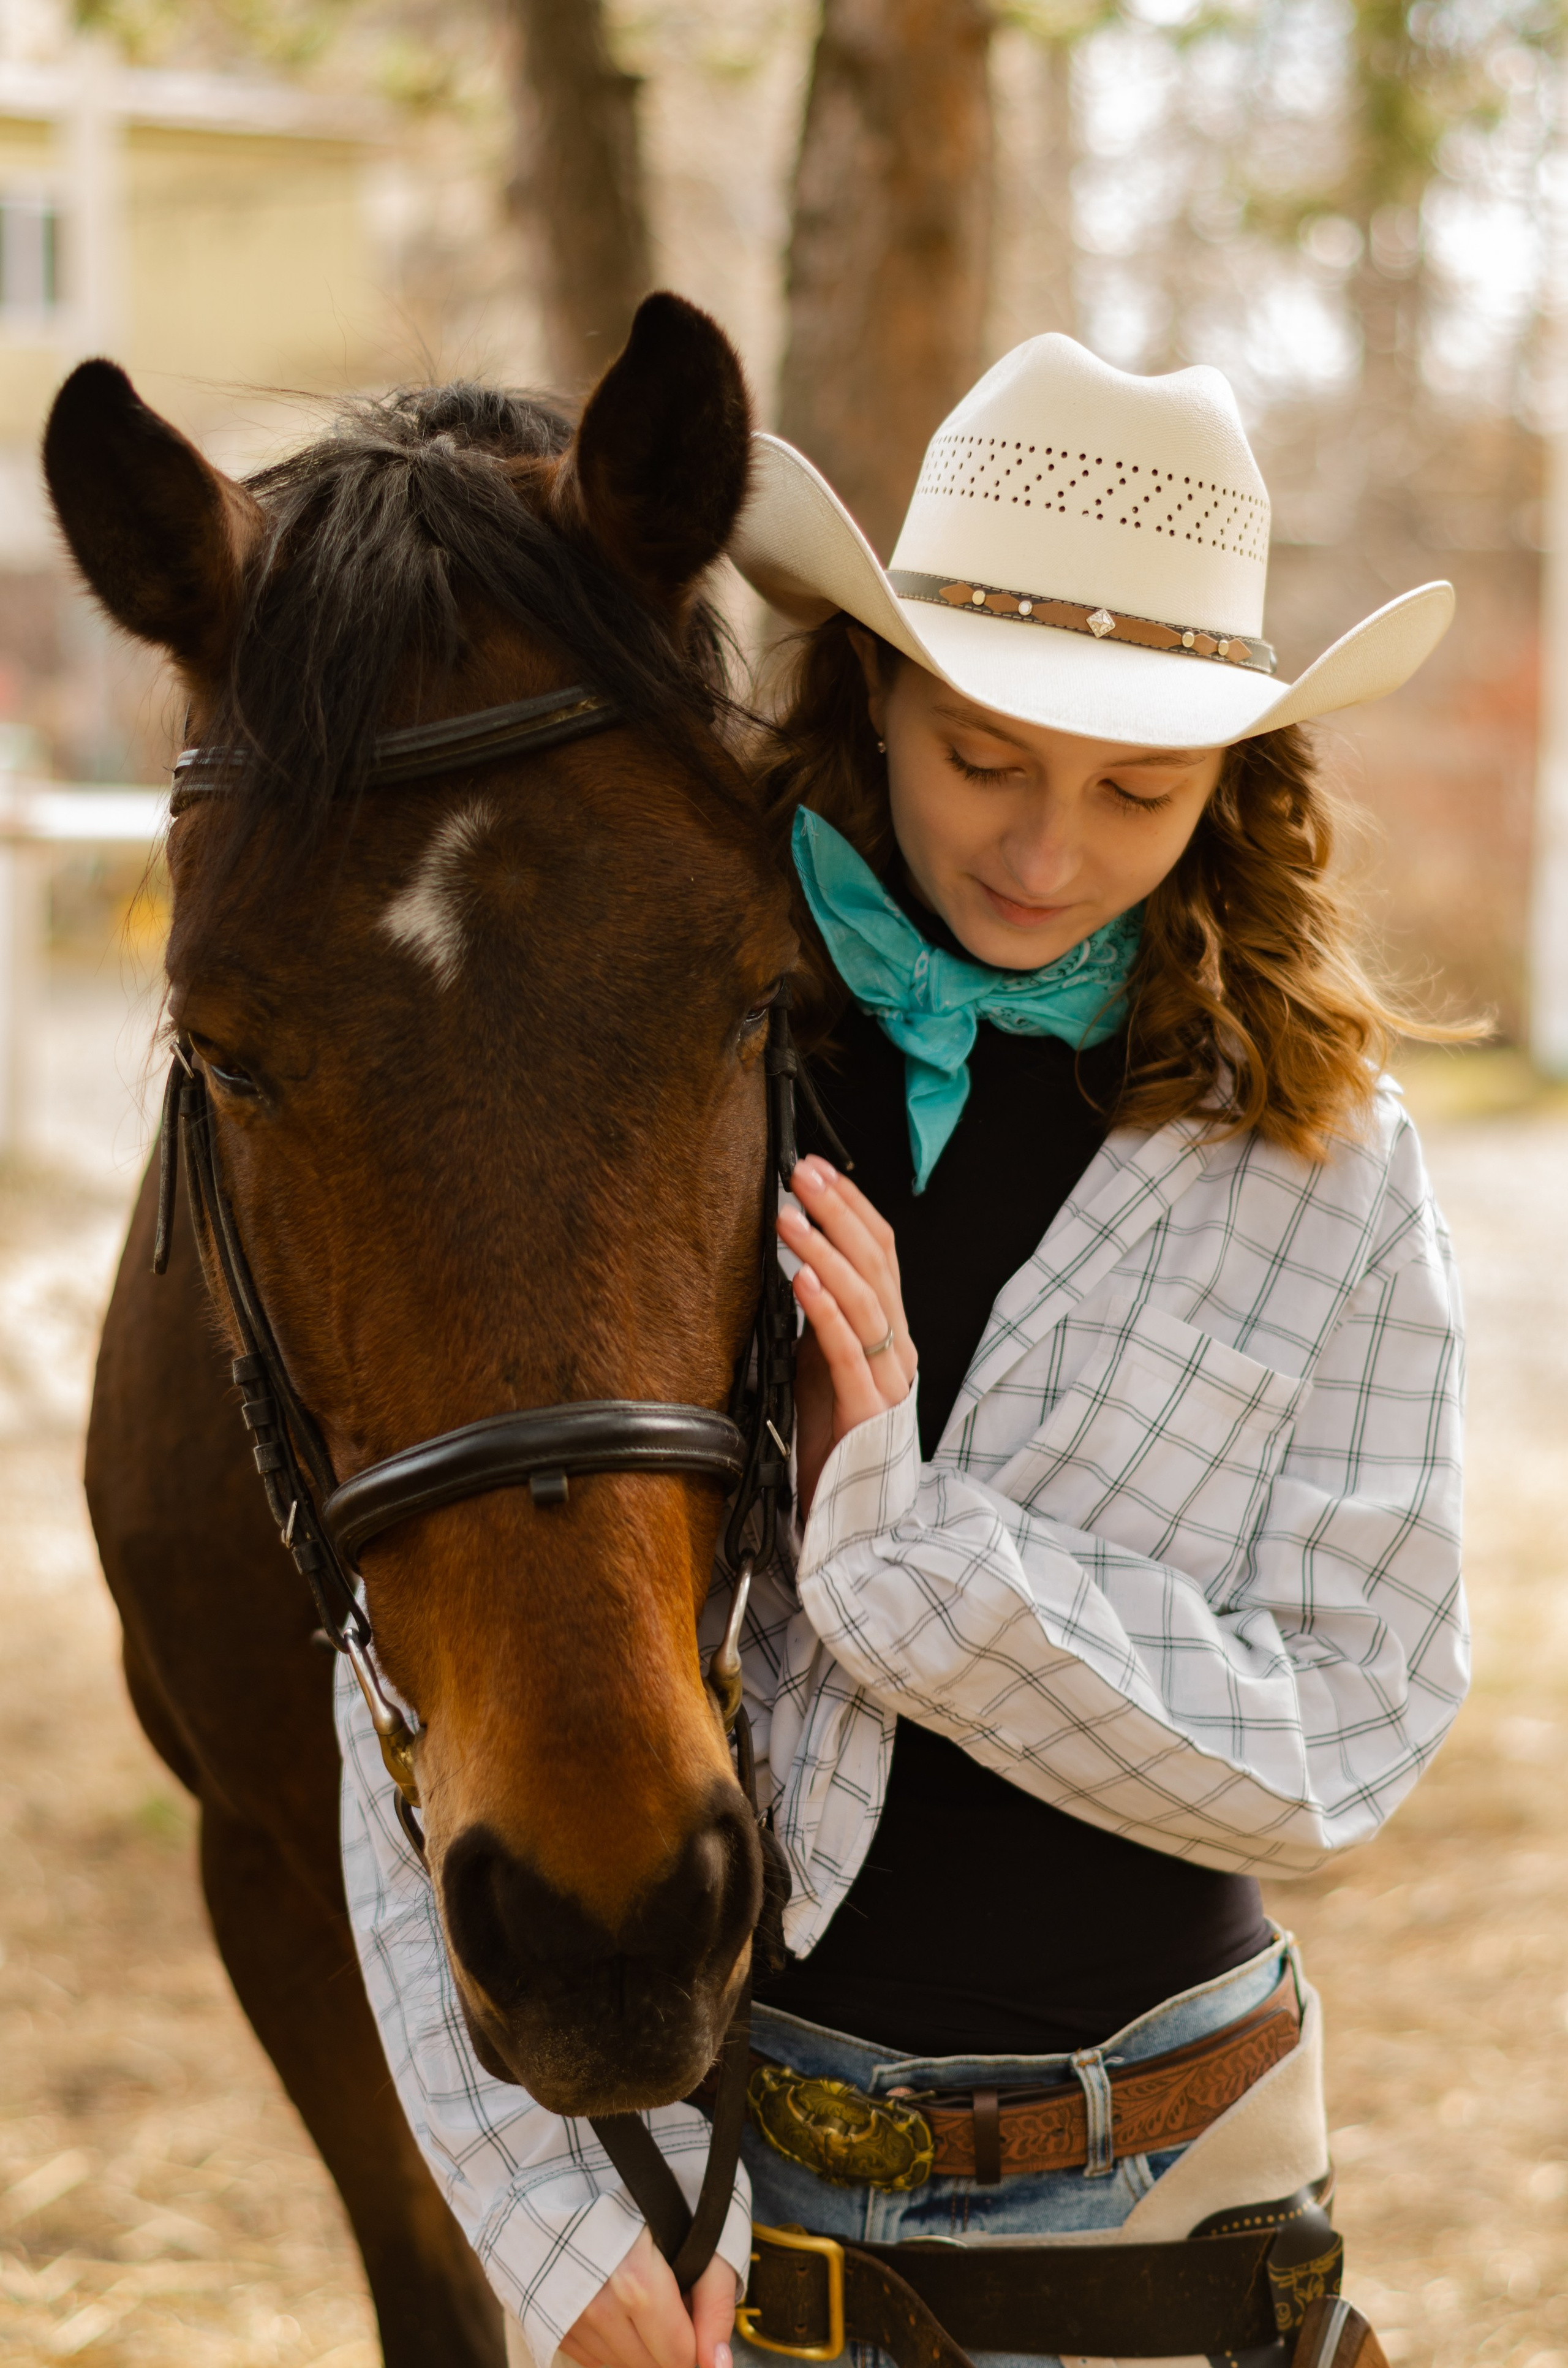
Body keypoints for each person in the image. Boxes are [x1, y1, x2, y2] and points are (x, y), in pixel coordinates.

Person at [336, 333, 1469, 2368]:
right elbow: (405, 1659)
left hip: (1177, 2207)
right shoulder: (674, 1060)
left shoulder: (1322, 1159)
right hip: (728, 2210)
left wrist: (909, 1567)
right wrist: (525, 2204)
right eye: (983, 759)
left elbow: (1352, 1736)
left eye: (1136, 788)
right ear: (871, 690)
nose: (1044, 852)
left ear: (1238, 779)